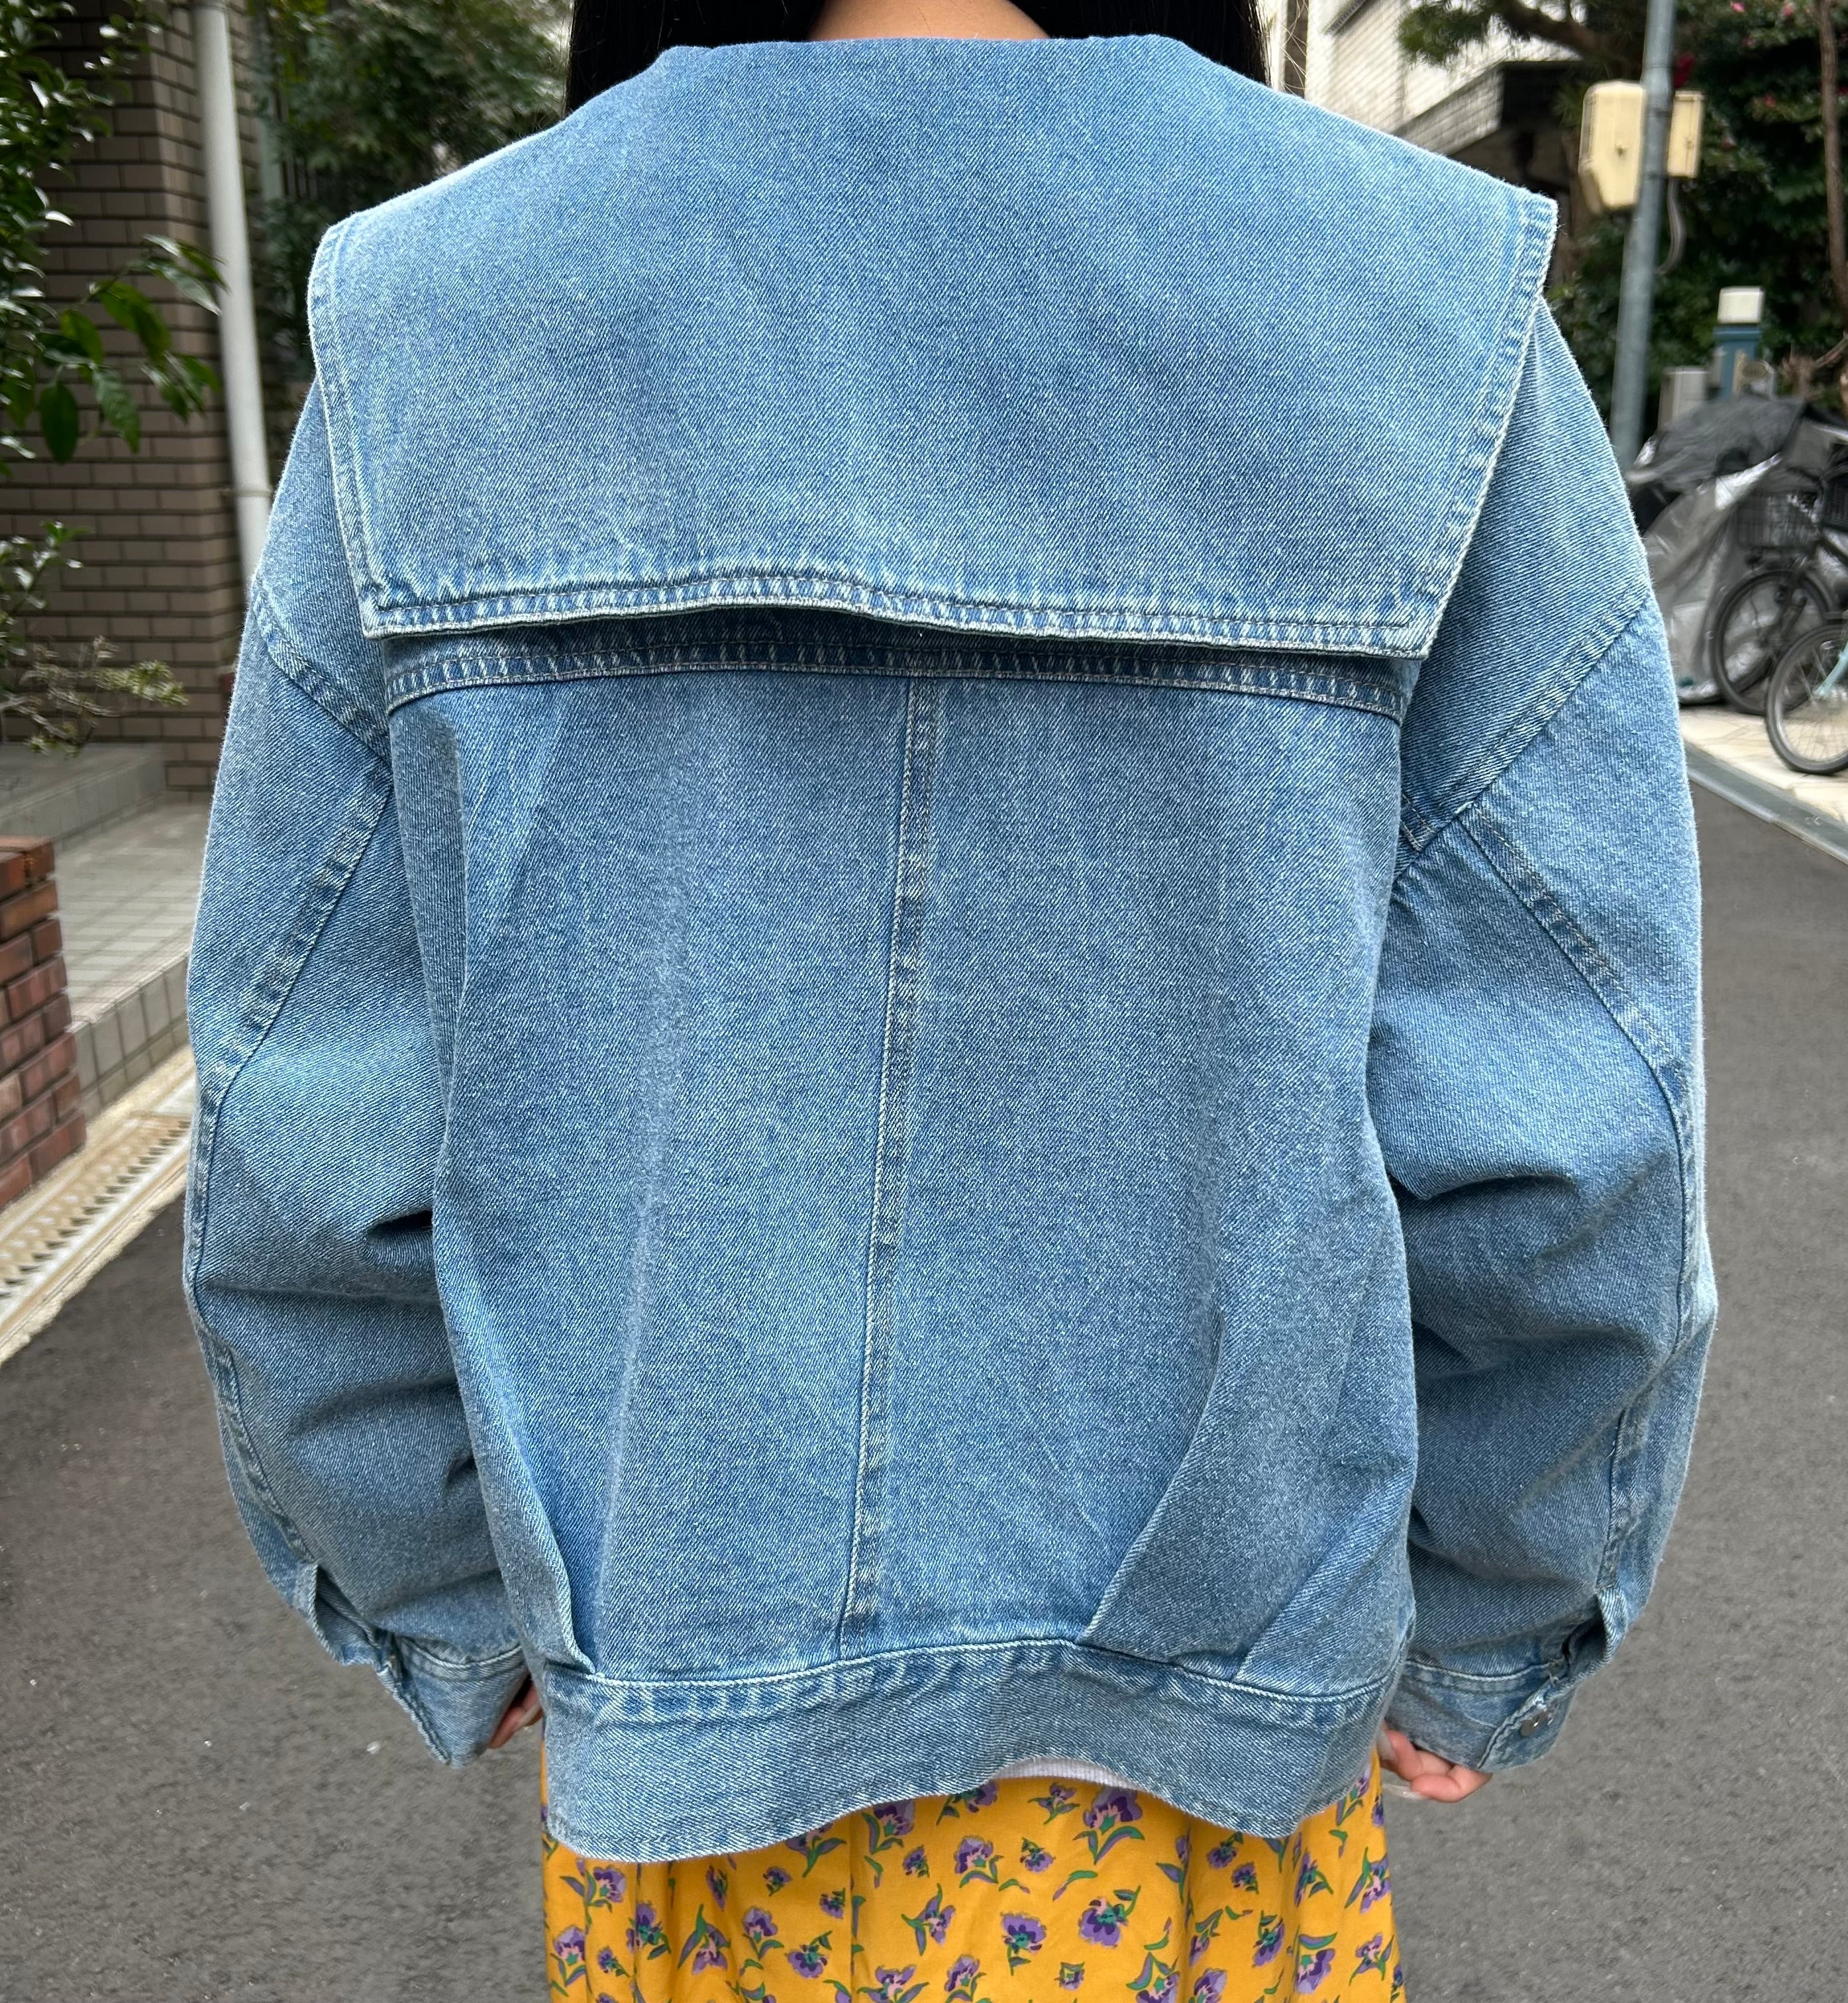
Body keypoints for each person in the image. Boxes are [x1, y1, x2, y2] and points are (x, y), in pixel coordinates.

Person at [180, 0, 1715, 1993]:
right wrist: (1498, 1615)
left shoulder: (432, 318)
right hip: (1198, 1792)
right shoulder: (1430, 311)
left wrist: (449, 1596)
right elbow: (1578, 1134)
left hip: (690, 1766)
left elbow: (301, 1138)